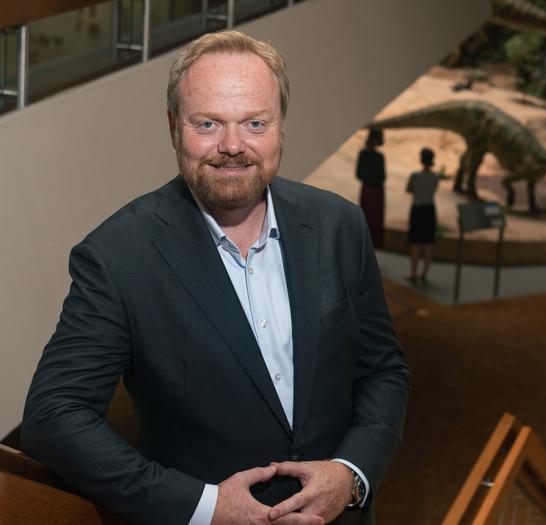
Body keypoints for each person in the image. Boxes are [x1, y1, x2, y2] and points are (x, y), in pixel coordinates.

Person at [22, 30, 410, 525]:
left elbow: (383, 371)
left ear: (280, 127)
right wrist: (203, 506)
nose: (232, 145)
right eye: (207, 123)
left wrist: (351, 473)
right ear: (172, 127)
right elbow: (54, 415)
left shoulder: (339, 226)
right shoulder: (118, 256)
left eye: (255, 122)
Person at [405, 148, 441, 284]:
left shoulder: (415, 175)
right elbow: (434, 190)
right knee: (428, 243)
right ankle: (424, 273)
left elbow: (409, 189)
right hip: (430, 209)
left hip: (417, 209)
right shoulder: (436, 177)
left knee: (415, 242)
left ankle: (413, 273)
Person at [355, 128, 386, 249]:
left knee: (371, 220)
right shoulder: (377, 156)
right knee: (371, 220)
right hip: (374, 190)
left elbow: (360, 174)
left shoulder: (372, 155)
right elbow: (382, 176)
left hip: (370, 190)